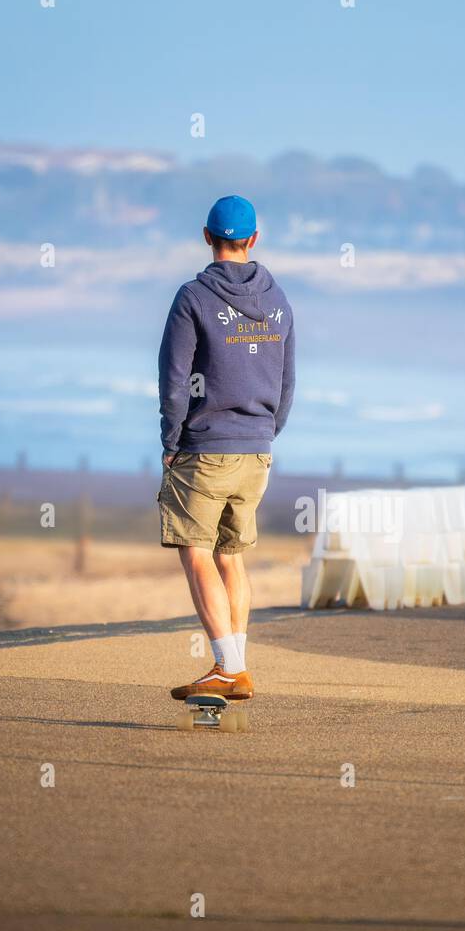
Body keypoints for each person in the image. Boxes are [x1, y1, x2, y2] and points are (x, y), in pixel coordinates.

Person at [158, 194, 295, 701]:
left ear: (206, 236)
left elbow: (173, 381)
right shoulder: (278, 299)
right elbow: (288, 382)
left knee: (196, 552)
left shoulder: (192, 297)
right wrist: (265, 432)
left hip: (206, 448)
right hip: (256, 450)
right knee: (230, 558)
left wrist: (172, 440)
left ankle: (227, 667)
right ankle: (234, 667)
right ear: (254, 239)